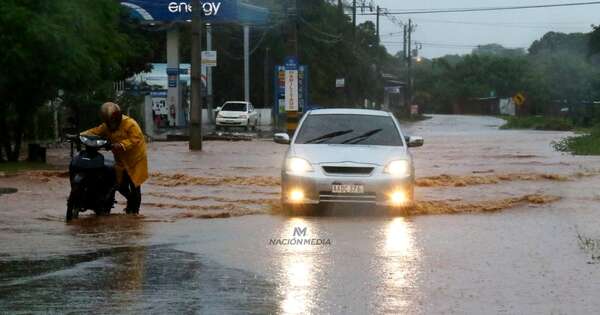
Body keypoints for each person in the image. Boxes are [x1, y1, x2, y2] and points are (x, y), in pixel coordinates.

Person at [83, 102, 148, 214]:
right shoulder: (105, 127)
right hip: (120, 160)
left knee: (135, 186)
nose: (111, 124)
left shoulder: (130, 124)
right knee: (119, 184)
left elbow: (135, 139)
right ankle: (131, 201)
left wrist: (121, 144)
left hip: (136, 160)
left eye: (113, 120)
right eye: (109, 121)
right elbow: (94, 131)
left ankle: (134, 213)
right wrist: (80, 135)